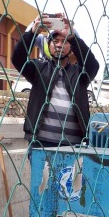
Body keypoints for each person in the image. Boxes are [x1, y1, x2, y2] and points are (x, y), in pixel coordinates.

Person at [12, 13, 99, 149]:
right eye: (55, 41)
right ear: (48, 45)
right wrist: (33, 32)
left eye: (65, 42)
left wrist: (73, 36)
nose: (59, 45)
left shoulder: (80, 74)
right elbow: (18, 58)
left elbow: (93, 65)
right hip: (40, 143)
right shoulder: (38, 69)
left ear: (71, 48)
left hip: (73, 145)